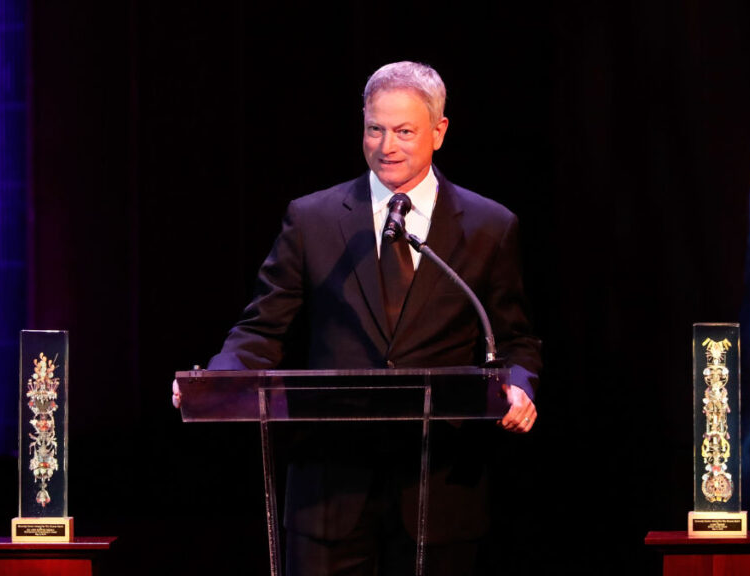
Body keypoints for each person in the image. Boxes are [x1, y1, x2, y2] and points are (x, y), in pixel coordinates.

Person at [174, 60, 541, 575]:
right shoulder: (313, 219)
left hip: (438, 489)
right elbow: (263, 327)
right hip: (329, 491)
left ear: (439, 132)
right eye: (375, 129)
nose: (386, 146)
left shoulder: (489, 226)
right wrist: (218, 378)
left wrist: (520, 386)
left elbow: (513, 340)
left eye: (404, 131)